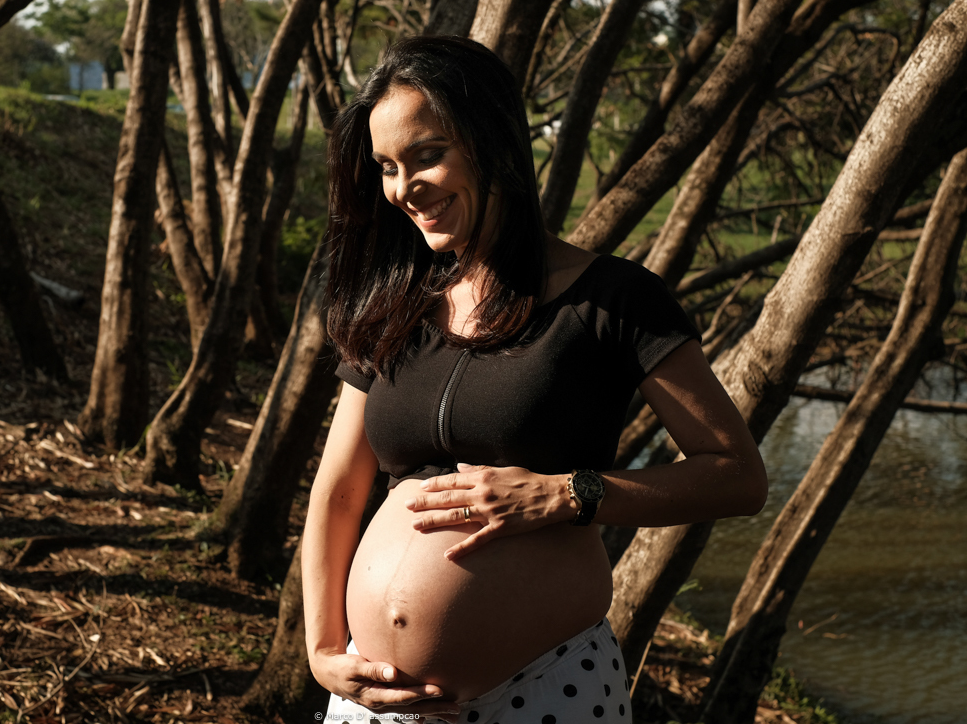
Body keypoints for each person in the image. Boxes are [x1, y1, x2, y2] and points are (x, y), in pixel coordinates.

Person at [302, 36, 767, 724]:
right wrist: (320, 649)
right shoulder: (396, 303)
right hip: (374, 700)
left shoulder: (613, 301)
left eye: (428, 155)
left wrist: (565, 494)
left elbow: (737, 474)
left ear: (494, 143)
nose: (405, 188)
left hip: (548, 688)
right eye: (388, 167)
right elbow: (339, 489)